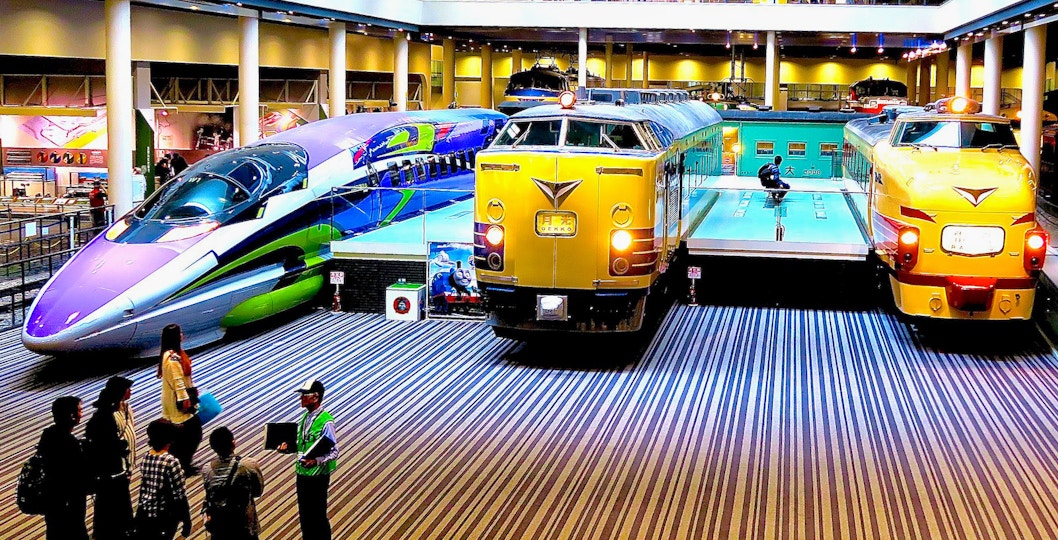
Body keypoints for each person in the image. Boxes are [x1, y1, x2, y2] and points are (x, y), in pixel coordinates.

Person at [276, 379, 338, 540]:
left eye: (305, 395)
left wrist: (316, 461)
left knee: (318, 515)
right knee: (305, 515)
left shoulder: (327, 421)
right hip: (302, 473)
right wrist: (288, 448)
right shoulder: (304, 418)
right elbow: (303, 444)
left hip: (318, 476)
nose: (301, 398)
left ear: (316, 397)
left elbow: (334, 452)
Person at [85, 376, 136, 540]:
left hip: (123, 465)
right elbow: (108, 444)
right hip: (114, 469)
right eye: (128, 389)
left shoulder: (126, 408)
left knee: (116, 503)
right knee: (113, 505)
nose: (130, 392)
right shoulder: (107, 416)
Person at [37, 396, 90, 540]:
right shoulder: (70, 443)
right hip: (69, 501)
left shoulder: (48, 434)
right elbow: (78, 474)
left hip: (52, 498)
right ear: (71, 415)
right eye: (79, 411)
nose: (81, 414)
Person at [202, 427, 265, 540]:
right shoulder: (249, 465)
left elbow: (209, 493)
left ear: (213, 448)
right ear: (233, 443)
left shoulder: (207, 470)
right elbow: (258, 491)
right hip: (245, 524)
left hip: (219, 525)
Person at [135, 419, 193, 540]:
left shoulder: (146, 457)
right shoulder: (171, 462)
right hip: (164, 517)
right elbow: (180, 494)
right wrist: (187, 521)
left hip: (146, 513)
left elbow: (144, 488)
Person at [158, 323, 202, 476]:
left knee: (188, 433)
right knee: (190, 433)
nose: (182, 335)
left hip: (178, 396)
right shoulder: (172, 358)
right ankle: (181, 464)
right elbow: (177, 381)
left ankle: (183, 463)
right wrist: (185, 400)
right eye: (180, 333)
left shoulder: (173, 353)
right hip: (178, 400)